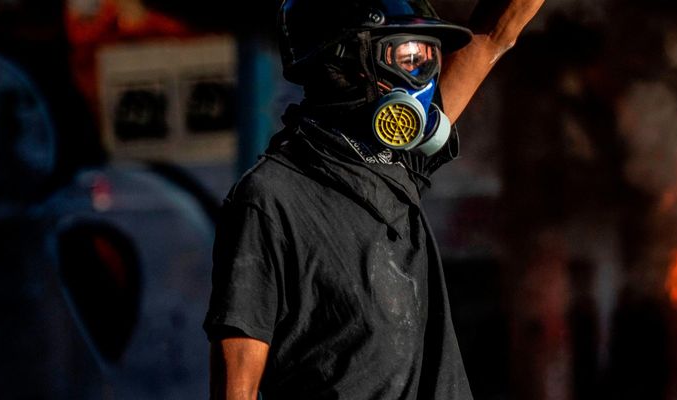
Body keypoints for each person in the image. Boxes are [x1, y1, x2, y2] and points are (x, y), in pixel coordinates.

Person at [203, 0, 543, 398]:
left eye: (429, 57)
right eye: (407, 57)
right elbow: (236, 385)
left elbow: (494, 36)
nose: (422, 80)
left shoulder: (399, 160)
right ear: (343, 63)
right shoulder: (270, 198)